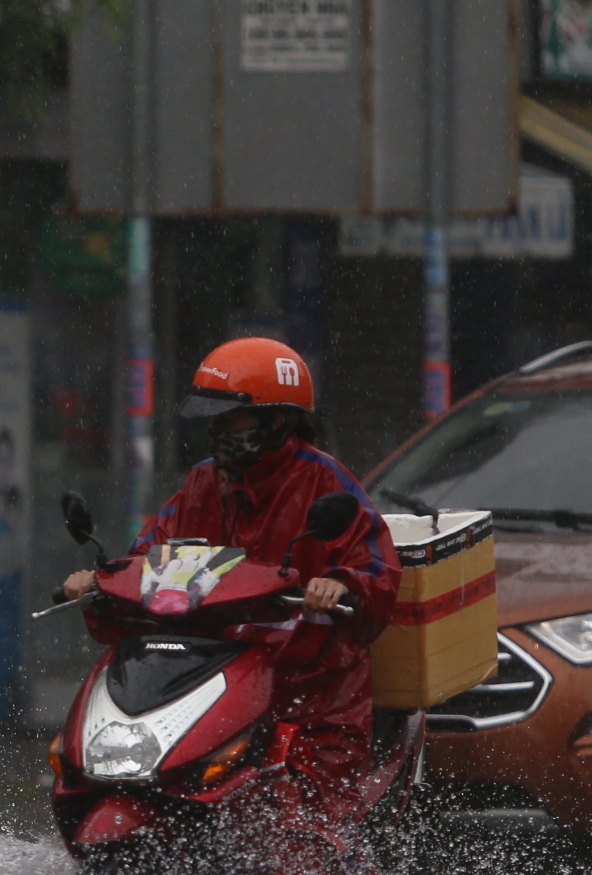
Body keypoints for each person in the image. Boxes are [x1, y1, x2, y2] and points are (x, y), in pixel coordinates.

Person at [62, 335, 399, 802]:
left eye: (229, 418)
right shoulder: (202, 481)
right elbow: (146, 559)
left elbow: (377, 570)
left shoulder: (325, 480)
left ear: (275, 419)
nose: (217, 429)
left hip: (312, 693)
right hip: (205, 683)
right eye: (212, 420)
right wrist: (100, 583)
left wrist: (340, 582)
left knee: (307, 822)